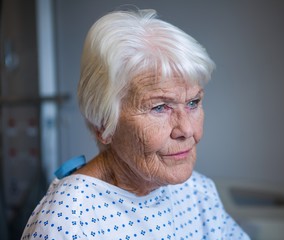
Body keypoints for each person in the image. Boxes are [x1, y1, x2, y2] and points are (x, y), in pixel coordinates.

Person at [21, 9, 250, 239]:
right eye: (159, 107)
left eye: (193, 102)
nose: (188, 130)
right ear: (103, 124)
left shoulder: (198, 192)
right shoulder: (67, 223)